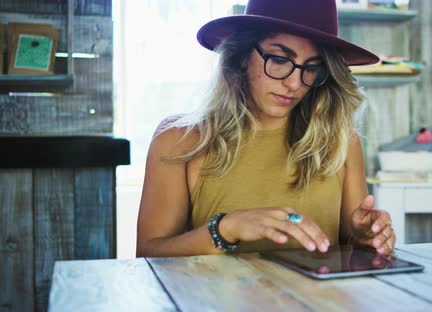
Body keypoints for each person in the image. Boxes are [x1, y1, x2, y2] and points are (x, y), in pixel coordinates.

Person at [136, 0, 396, 257]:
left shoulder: (340, 139)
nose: (294, 83)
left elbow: (352, 247)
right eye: (280, 59)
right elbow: (149, 254)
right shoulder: (178, 140)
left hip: (319, 300)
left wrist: (366, 238)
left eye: (312, 67)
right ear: (242, 56)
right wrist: (225, 229)